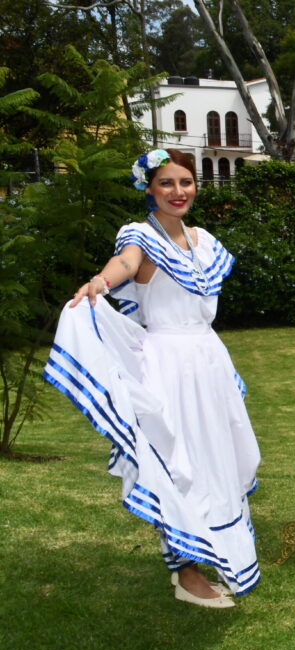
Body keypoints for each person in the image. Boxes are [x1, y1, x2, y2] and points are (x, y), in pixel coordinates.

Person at [45, 149, 260, 608]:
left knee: (217, 460)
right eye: (167, 183)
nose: (178, 191)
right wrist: (99, 283)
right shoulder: (141, 237)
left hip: (208, 363)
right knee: (178, 464)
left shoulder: (203, 241)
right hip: (170, 364)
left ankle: (213, 552)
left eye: (185, 182)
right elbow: (124, 264)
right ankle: (184, 571)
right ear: (149, 189)